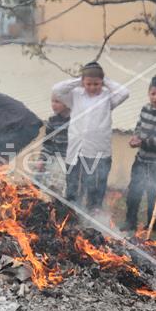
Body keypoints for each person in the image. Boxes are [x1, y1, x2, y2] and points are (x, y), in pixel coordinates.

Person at [52, 62, 129, 211]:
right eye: (88, 84)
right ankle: (72, 215)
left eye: (96, 84)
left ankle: (94, 217)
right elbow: (56, 90)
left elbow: (124, 92)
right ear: (83, 83)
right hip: (77, 149)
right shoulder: (75, 96)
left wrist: (105, 80)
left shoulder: (108, 97)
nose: (92, 87)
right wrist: (79, 80)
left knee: (95, 186)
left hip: (99, 151)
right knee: (73, 185)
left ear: (102, 82)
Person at [121, 75, 156, 232]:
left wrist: (144, 142)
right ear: (149, 93)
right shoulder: (145, 109)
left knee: (153, 195)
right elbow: (139, 127)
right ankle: (130, 221)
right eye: (153, 94)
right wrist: (135, 138)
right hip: (141, 159)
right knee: (134, 192)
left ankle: (154, 225)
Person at [35, 93, 71, 194]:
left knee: (57, 187)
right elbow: (48, 143)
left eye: (57, 102)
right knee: (37, 178)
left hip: (67, 160)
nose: (53, 105)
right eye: (52, 101)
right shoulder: (52, 120)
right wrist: (42, 159)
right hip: (52, 157)